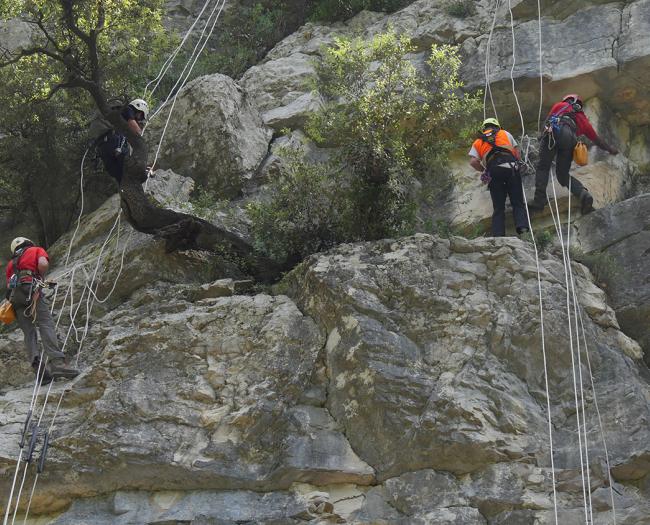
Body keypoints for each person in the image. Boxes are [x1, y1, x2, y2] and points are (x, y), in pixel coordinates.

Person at [5, 237, 79, 384]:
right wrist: (40, 278)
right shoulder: (36, 250)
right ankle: (57, 363)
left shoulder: (10, 264)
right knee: (45, 323)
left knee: (29, 333)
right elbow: (43, 264)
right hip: (31, 290)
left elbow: (9, 285)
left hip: (15, 298)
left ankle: (39, 371)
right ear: (28, 243)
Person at [528, 94, 618, 214]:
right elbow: (596, 139)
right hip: (570, 140)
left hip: (555, 133)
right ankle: (583, 194)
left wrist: (541, 137)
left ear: (567, 100)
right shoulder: (582, 119)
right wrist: (610, 149)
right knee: (563, 175)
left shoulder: (560, 106)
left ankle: (539, 200)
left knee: (543, 167)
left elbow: (547, 122)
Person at [469, 118, 530, 237]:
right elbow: (516, 153)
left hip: (493, 171)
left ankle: (498, 235)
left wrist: (484, 170)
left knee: (498, 207)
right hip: (510, 167)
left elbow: (473, 162)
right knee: (517, 202)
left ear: (484, 128)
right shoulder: (505, 133)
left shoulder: (478, 141)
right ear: (497, 126)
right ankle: (522, 228)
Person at [93, 98, 149, 184]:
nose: (139, 119)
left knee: (119, 176)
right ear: (139, 108)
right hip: (113, 141)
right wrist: (141, 134)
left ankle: (128, 185)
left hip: (102, 147)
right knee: (128, 162)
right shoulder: (128, 109)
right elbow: (136, 129)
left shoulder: (116, 114)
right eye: (141, 116)